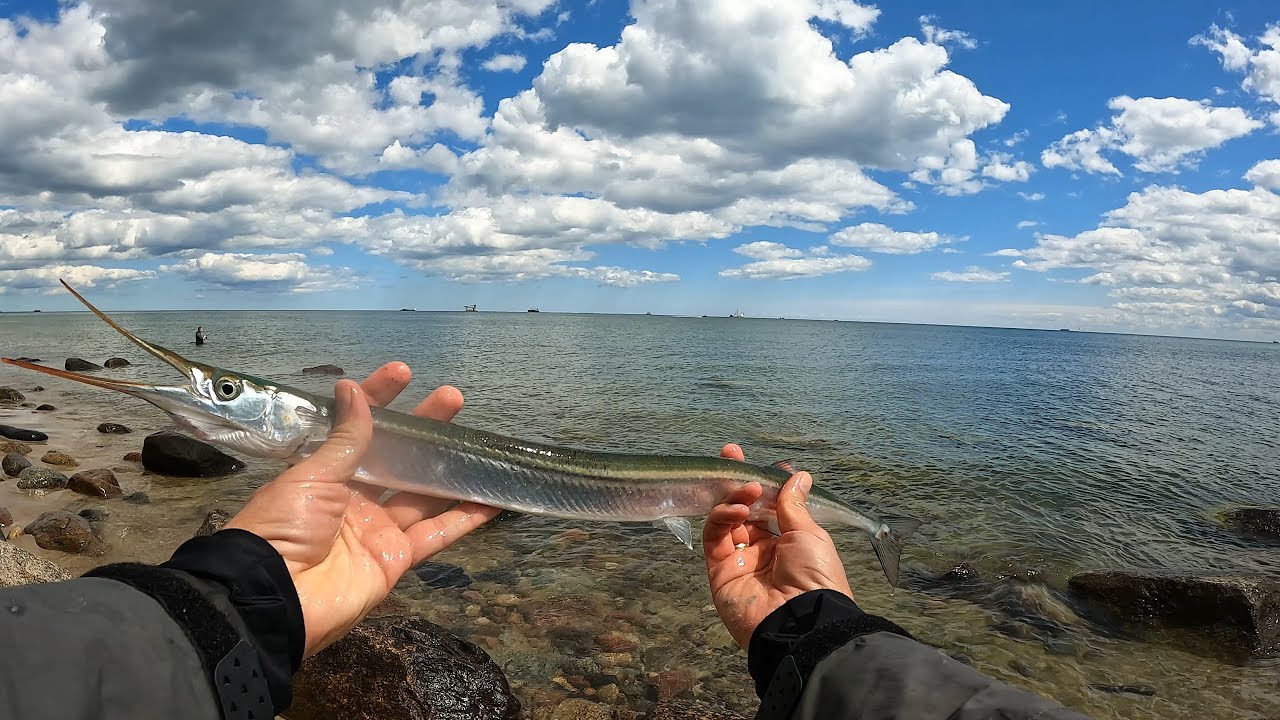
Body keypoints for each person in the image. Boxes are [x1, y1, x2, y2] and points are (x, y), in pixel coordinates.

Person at [0, 362, 1088, 719]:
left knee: (697, 483)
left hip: (687, 496)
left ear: (310, 423)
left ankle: (870, 528)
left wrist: (213, 613)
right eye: (235, 396)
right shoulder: (340, 449)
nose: (224, 405)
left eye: (238, 395)